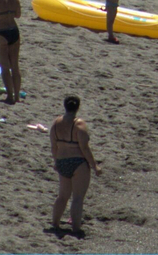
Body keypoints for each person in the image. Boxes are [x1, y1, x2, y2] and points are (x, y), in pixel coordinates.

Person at [50, 95, 99, 235]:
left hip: (62, 161)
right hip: (78, 162)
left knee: (62, 196)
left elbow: (53, 146)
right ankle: (76, 228)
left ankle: (55, 223)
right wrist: (94, 166)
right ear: (78, 107)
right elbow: (84, 148)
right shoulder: (79, 125)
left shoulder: (56, 123)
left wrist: (56, 161)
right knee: (78, 197)